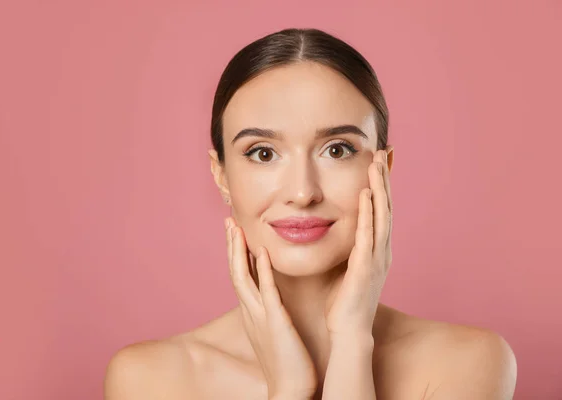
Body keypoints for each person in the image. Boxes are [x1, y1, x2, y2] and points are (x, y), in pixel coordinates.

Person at [104, 28, 517, 400]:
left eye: (337, 149)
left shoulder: (468, 363)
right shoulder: (151, 380)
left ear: (383, 171)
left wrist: (352, 345)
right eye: (263, 154)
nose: (303, 193)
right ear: (221, 175)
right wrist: (289, 389)